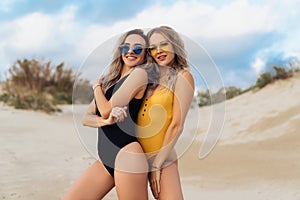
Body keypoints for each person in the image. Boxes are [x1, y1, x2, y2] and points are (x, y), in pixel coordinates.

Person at [63, 29, 150, 200]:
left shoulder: (139, 74)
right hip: (105, 158)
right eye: (126, 47)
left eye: (138, 48)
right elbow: (86, 118)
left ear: (145, 54)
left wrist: (96, 88)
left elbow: (106, 109)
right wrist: (105, 122)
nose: (131, 51)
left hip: (128, 155)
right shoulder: (111, 82)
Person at [137, 26, 195, 199]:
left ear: (175, 46)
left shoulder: (183, 77)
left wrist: (156, 165)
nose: (159, 51)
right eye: (153, 47)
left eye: (164, 44)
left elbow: (177, 125)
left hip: (162, 159)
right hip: (135, 157)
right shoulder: (147, 78)